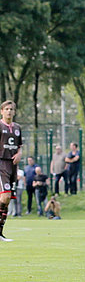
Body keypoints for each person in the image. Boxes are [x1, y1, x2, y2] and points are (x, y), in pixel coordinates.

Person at [0, 100, 23, 241]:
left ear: (14, 112)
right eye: (6, 109)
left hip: (12, 166)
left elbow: (19, 145)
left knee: (7, 201)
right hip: (1, 163)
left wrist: (19, 153)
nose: (9, 111)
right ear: (2, 111)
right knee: (5, 196)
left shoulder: (17, 127)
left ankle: (0, 232)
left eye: (11, 109)